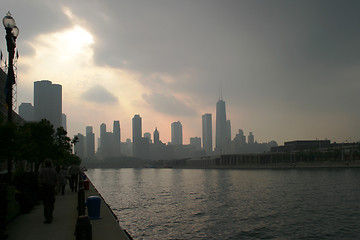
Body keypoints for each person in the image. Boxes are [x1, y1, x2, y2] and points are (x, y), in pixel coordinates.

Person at [38, 159, 57, 224]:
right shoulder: (53, 171)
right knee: (51, 202)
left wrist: (40, 186)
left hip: (45, 187)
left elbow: (39, 179)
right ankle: (50, 214)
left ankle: (47, 217)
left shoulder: (42, 170)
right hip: (52, 188)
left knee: (46, 203)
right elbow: (56, 180)